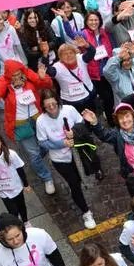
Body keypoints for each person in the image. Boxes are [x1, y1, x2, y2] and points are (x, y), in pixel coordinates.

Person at [0, 59, 57, 194]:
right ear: (8, 75)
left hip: (38, 119)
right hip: (21, 124)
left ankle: (37, 162)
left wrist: (43, 77)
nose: (17, 77)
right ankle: (47, 177)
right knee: (34, 154)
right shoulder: (3, 82)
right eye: (13, 75)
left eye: (18, 74)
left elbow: (46, 84)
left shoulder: (28, 75)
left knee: (44, 146)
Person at [35, 91, 97, 228]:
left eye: (54, 104)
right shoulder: (41, 121)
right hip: (60, 159)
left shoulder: (69, 110)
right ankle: (86, 212)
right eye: (47, 106)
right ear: (43, 107)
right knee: (74, 183)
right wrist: (61, 143)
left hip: (78, 153)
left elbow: (83, 125)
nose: (51, 108)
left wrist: (74, 132)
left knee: (81, 177)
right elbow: (43, 142)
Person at [83, 99, 134, 202]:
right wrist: (95, 122)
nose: (125, 120)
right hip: (133, 177)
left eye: (127, 116)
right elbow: (104, 135)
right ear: (117, 121)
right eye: (121, 118)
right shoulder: (117, 135)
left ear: (133, 116)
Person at [0, 130, 31, 224]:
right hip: (3, 191)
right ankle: (17, 224)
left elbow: (20, 169)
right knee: (13, 211)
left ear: (1, 142)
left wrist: (26, 184)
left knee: (21, 206)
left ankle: (26, 221)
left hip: (16, 187)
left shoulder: (11, 154)